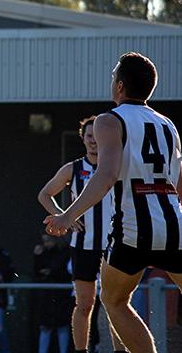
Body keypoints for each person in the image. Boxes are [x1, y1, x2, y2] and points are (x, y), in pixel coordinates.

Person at [45, 52, 182, 353]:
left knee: (113, 300)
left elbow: (106, 175)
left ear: (120, 86)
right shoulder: (168, 125)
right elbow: (179, 183)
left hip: (134, 227)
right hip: (174, 224)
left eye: (112, 77)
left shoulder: (110, 120)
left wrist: (67, 216)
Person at [37, 116, 125, 353]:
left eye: (97, 136)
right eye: (88, 136)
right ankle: (80, 351)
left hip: (115, 244)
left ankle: (121, 350)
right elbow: (44, 194)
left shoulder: (118, 166)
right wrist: (64, 216)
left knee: (116, 304)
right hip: (83, 245)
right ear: (83, 139)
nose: (93, 141)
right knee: (84, 304)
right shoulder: (73, 168)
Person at [33, 233, 72, 353]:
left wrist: (51, 272)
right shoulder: (43, 252)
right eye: (44, 241)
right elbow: (37, 272)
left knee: (62, 327)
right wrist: (37, 256)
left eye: (48, 241)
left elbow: (65, 272)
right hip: (47, 295)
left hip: (61, 295)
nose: (46, 244)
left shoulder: (66, 252)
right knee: (45, 327)